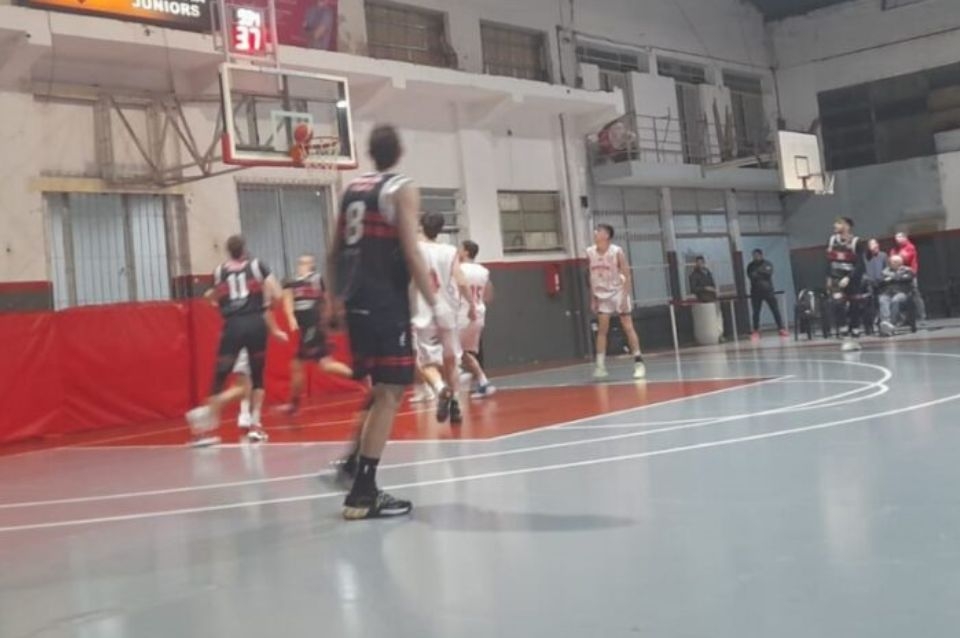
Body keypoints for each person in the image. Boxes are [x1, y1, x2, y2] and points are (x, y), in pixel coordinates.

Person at [327, 124, 451, 520]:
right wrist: (436, 303)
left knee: (380, 389)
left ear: (370, 152)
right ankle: (363, 492)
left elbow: (333, 250)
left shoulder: (351, 189)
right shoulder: (401, 188)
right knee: (390, 394)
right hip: (384, 301)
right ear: (399, 152)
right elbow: (411, 252)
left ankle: (354, 464)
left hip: (354, 300)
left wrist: (333, 300)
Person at [186, 235, 287, 446]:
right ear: (244, 249)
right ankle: (255, 426)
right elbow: (278, 293)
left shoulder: (219, 271)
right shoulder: (257, 266)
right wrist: (271, 305)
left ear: (228, 251)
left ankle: (204, 430)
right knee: (257, 377)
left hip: (233, 326)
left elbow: (210, 296)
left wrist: (218, 303)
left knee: (220, 377)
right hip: (256, 323)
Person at [411, 212, 476, 425]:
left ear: (421, 227)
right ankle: (455, 403)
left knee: (426, 363)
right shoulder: (450, 251)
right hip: (447, 310)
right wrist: (472, 305)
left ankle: (440, 389)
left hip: (423, 312)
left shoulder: (413, 249)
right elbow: (461, 280)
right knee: (450, 362)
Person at [280, 254, 353, 415]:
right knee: (312, 365)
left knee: (315, 364)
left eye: (306, 263)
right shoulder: (292, 282)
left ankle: (358, 376)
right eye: (300, 262)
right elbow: (287, 299)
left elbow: (326, 300)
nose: (302, 266)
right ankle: (294, 404)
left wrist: (328, 319)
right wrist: (291, 317)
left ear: (312, 265)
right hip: (305, 328)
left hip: (313, 327)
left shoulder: (316, 279)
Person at [587, 224, 645, 380]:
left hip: (618, 292)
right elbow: (591, 277)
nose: (595, 233)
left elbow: (627, 274)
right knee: (602, 330)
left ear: (606, 235)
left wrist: (625, 298)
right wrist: (593, 298)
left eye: (598, 231)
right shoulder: (590, 252)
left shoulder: (616, 251)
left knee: (628, 327)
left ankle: (639, 363)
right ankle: (600, 366)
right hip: (602, 294)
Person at [458, 240, 496, 398]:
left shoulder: (459, 269)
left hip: (463, 312)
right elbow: (489, 294)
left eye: (460, 249)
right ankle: (483, 382)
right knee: (465, 352)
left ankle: (458, 377)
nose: (458, 251)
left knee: (449, 348)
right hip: (479, 312)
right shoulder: (483, 271)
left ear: (466, 252)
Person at [826, 216, 866, 351]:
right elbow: (828, 262)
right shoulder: (832, 240)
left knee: (855, 307)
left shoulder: (856, 242)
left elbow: (860, 265)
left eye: (838, 223)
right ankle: (845, 335)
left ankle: (855, 335)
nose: (834, 225)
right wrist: (828, 278)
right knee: (837, 303)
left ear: (847, 226)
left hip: (852, 279)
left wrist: (849, 277)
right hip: (836, 278)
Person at [746, 249, 787, 340]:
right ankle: (756, 330)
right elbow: (751, 276)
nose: (755, 257)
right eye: (754, 256)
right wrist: (761, 273)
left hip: (768, 291)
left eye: (757, 255)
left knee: (775, 310)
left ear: (761, 255)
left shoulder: (767, 264)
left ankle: (781, 328)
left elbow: (768, 274)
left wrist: (758, 272)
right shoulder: (750, 266)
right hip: (755, 292)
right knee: (756, 312)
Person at [890, 232, 925, 321]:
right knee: (900, 296)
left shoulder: (910, 247)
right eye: (896, 238)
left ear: (905, 238)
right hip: (899, 275)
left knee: (915, 295)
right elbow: (892, 259)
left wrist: (897, 259)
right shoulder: (895, 249)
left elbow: (904, 258)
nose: (897, 239)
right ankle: (905, 318)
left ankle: (922, 316)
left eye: (899, 237)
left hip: (910, 274)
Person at [877, 254, 915, 336]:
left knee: (895, 300)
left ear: (899, 263)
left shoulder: (907, 270)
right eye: (891, 262)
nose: (891, 263)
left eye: (893, 262)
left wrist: (892, 278)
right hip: (888, 293)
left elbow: (907, 278)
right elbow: (880, 281)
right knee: (882, 300)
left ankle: (892, 323)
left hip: (902, 293)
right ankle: (885, 322)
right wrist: (892, 279)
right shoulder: (885, 271)